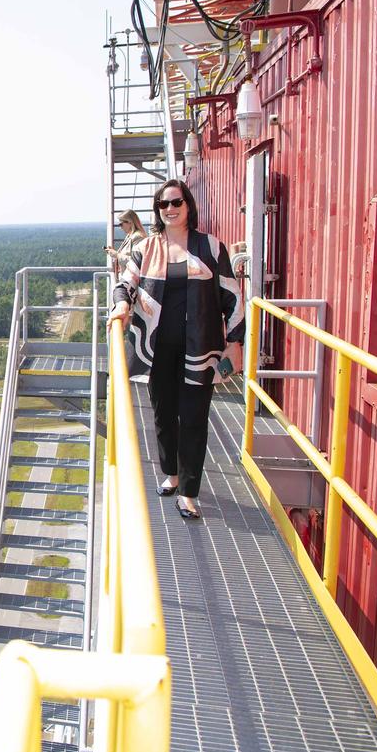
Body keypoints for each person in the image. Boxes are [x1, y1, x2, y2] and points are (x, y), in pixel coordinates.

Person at [107, 180, 243, 518]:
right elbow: (126, 283)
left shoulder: (211, 247)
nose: (169, 208)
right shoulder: (147, 248)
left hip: (201, 349)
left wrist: (235, 342)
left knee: (194, 418)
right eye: (163, 204)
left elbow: (233, 297)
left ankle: (189, 492)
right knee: (164, 415)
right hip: (158, 351)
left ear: (188, 205)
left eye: (176, 202)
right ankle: (171, 475)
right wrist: (121, 306)